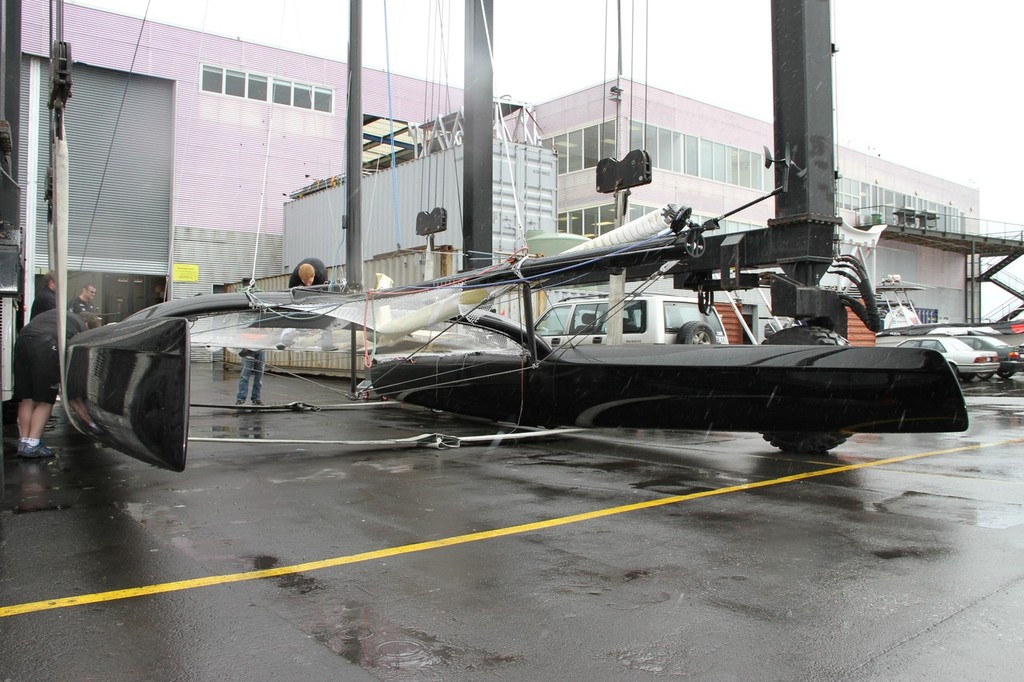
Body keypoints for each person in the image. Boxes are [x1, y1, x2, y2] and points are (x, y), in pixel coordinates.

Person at [13, 308, 89, 458]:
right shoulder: (81, 326)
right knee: (45, 400)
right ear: (86, 322)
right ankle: (33, 444)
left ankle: (24, 443)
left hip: (23, 340)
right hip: (46, 343)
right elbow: (75, 362)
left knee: (27, 398)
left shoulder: (57, 314)